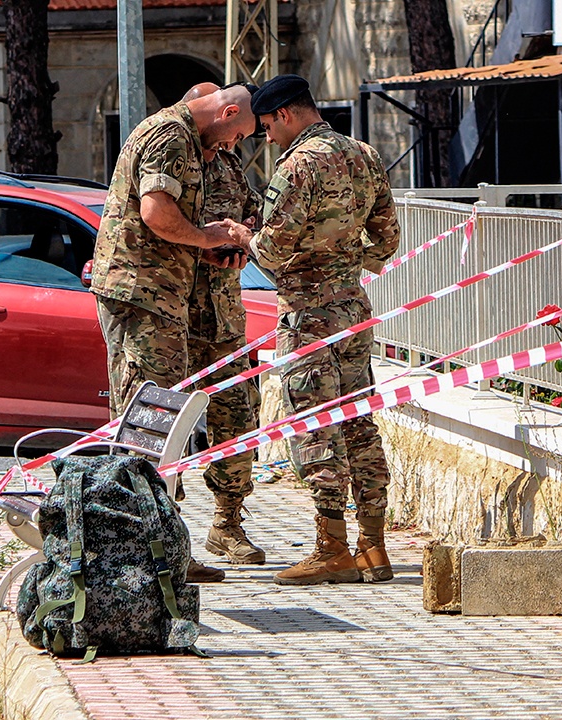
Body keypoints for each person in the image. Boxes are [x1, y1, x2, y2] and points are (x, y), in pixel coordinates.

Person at [231, 75, 400, 585]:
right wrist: (344, 263)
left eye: (264, 127)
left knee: (314, 423)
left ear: (284, 114)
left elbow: (274, 249)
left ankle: (332, 547)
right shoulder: (363, 154)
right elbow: (387, 240)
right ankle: (374, 545)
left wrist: (243, 235)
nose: (264, 137)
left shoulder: (299, 164)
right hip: (353, 307)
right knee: (358, 422)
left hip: (307, 315)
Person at [91, 84, 258, 583]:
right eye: (239, 134)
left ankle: (177, 540)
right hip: (146, 295)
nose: (234, 146)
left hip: (181, 301)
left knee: (178, 413)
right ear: (226, 112)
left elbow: (243, 211)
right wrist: (206, 237)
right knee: (150, 419)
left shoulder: (206, 147)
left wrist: (228, 239)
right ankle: (150, 548)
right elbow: (157, 213)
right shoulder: (170, 135)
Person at [181, 82, 267, 567]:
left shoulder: (231, 165)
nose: (234, 143)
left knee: (236, 416)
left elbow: (253, 215)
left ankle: (227, 524)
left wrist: (245, 238)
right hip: (174, 313)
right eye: (232, 133)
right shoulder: (171, 154)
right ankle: (166, 534)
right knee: (165, 423)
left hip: (225, 316)